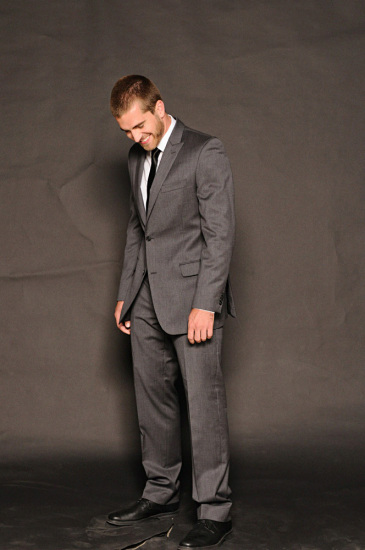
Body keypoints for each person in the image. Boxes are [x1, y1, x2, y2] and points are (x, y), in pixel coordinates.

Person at [107, 75, 236, 549]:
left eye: (141, 126)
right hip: (145, 299)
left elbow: (220, 235)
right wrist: (126, 291)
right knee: (152, 401)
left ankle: (215, 510)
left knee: (203, 406)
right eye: (126, 132)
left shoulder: (206, 151)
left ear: (160, 107)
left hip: (193, 299)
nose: (136, 138)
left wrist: (207, 303)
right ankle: (160, 492)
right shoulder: (133, 158)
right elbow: (138, 229)